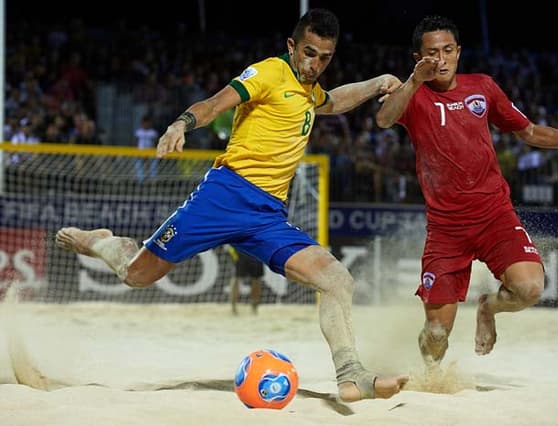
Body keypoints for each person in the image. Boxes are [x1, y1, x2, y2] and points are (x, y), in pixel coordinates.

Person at [56, 8, 407, 402]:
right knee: (137, 275)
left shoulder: (309, 91)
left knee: (338, 279)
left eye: (325, 57)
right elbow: (214, 103)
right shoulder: (268, 73)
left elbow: (334, 101)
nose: (315, 64)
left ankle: (351, 374)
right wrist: (179, 125)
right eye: (309, 53)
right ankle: (103, 241)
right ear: (291, 46)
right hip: (223, 197)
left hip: (267, 216)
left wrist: (377, 83)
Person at [376, 15, 558, 367]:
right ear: (417, 58)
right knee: (436, 336)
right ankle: (432, 375)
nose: (440, 60)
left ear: (458, 51)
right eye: (431, 54)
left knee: (529, 288)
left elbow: (528, 130)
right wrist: (413, 81)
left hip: (494, 216)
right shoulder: (413, 94)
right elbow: (383, 119)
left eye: (447, 51)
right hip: (446, 229)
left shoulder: (483, 87)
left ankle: (489, 307)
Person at [227, 245, 264, 315]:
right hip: (239, 247)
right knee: (236, 277)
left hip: (256, 248)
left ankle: (254, 308)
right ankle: (233, 308)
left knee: (256, 278)